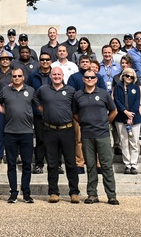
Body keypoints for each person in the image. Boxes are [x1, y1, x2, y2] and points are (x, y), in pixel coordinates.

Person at [73, 68, 119, 205]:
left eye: (92, 77)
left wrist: (105, 122)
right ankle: (92, 194)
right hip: (87, 134)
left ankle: (111, 195)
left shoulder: (104, 94)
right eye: (87, 77)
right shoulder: (78, 95)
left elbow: (114, 111)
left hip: (103, 134)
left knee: (106, 165)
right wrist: (83, 122)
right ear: (83, 79)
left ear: (96, 79)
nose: (89, 80)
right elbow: (74, 113)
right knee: (91, 166)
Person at [37, 66, 80, 203]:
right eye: (54, 74)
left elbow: (75, 108)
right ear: (50, 76)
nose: (56, 76)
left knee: (71, 163)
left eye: (58, 74)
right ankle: (53, 192)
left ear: (63, 76)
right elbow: (34, 99)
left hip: (67, 130)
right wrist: (44, 111)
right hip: (50, 130)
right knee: (52, 163)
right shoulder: (43, 90)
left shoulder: (70, 91)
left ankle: (74, 192)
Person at [0, 67, 37, 203]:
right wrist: (6, 112)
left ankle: (26, 193)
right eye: (14, 76)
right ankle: (13, 193)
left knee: (27, 164)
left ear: (23, 77)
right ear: (11, 77)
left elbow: (38, 107)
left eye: (19, 76)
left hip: (26, 132)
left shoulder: (31, 91)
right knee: (11, 164)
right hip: (10, 132)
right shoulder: (5, 90)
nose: (16, 78)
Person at [27, 52, 54, 175]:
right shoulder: (33, 75)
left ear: (50, 61)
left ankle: (56, 165)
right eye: (42, 59)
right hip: (38, 112)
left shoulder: (55, 74)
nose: (44, 61)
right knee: (40, 139)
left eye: (47, 59)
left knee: (54, 140)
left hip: (53, 111)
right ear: (39, 62)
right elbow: (29, 92)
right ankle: (39, 164)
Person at [112, 67, 141, 174]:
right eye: (127, 75)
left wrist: (131, 116)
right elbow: (117, 100)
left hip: (134, 119)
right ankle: (127, 164)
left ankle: (134, 164)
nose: (129, 78)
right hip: (121, 118)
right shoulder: (117, 87)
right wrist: (125, 112)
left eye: (131, 76)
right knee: (124, 142)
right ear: (123, 76)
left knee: (134, 142)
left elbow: (136, 102)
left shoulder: (136, 88)